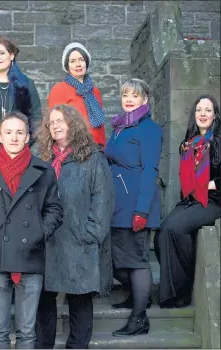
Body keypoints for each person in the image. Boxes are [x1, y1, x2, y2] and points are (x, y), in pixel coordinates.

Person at [0, 111, 63, 349]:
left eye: (20, 132)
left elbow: (55, 210)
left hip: (31, 255)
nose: (14, 137)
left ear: (28, 136)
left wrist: (39, 232)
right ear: (0, 136)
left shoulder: (44, 171)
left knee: (27, 332)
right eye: (8, 132)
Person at [34, 104, 115, 349]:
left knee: (79, 300)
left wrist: (91, 233)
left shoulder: (92, 158)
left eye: (61, 120)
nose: (56, 125)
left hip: (80, 241)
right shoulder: (43, 160)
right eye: (52, 122)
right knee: (44, 299)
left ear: (73, 124)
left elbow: (104, 199)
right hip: (49, 241)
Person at [104, 78, 163, 337]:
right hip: (117, 205)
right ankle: (137, 297)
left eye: (135, 95)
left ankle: (140, 318)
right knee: (117, 260)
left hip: (136, 204)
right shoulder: (119, 126)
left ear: (144, 100)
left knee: (137, 261)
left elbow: (150, 171)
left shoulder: (150, 129)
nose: (129, 99)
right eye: (125, 94)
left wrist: (142, 210)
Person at [154, 95, 221, 308]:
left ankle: (181, 292)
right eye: (199, 110)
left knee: (175, 229)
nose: (202, 114)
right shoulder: (188, 143)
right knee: (161, 232)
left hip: (213, 201)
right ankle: (173, 288)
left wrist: (212, 184)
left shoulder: (218, 141)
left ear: (215, 115)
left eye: (208, 110)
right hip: (191, 199)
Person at [47, 42, 106, 147]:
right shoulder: (59, 89)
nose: (78, 64)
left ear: (86, 63)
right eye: (73, 61)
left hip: (97, 147)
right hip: (73, 148)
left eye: (81, 60)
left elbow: (100, 126)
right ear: (67, 66)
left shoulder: (95, 91)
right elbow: (55, 124)